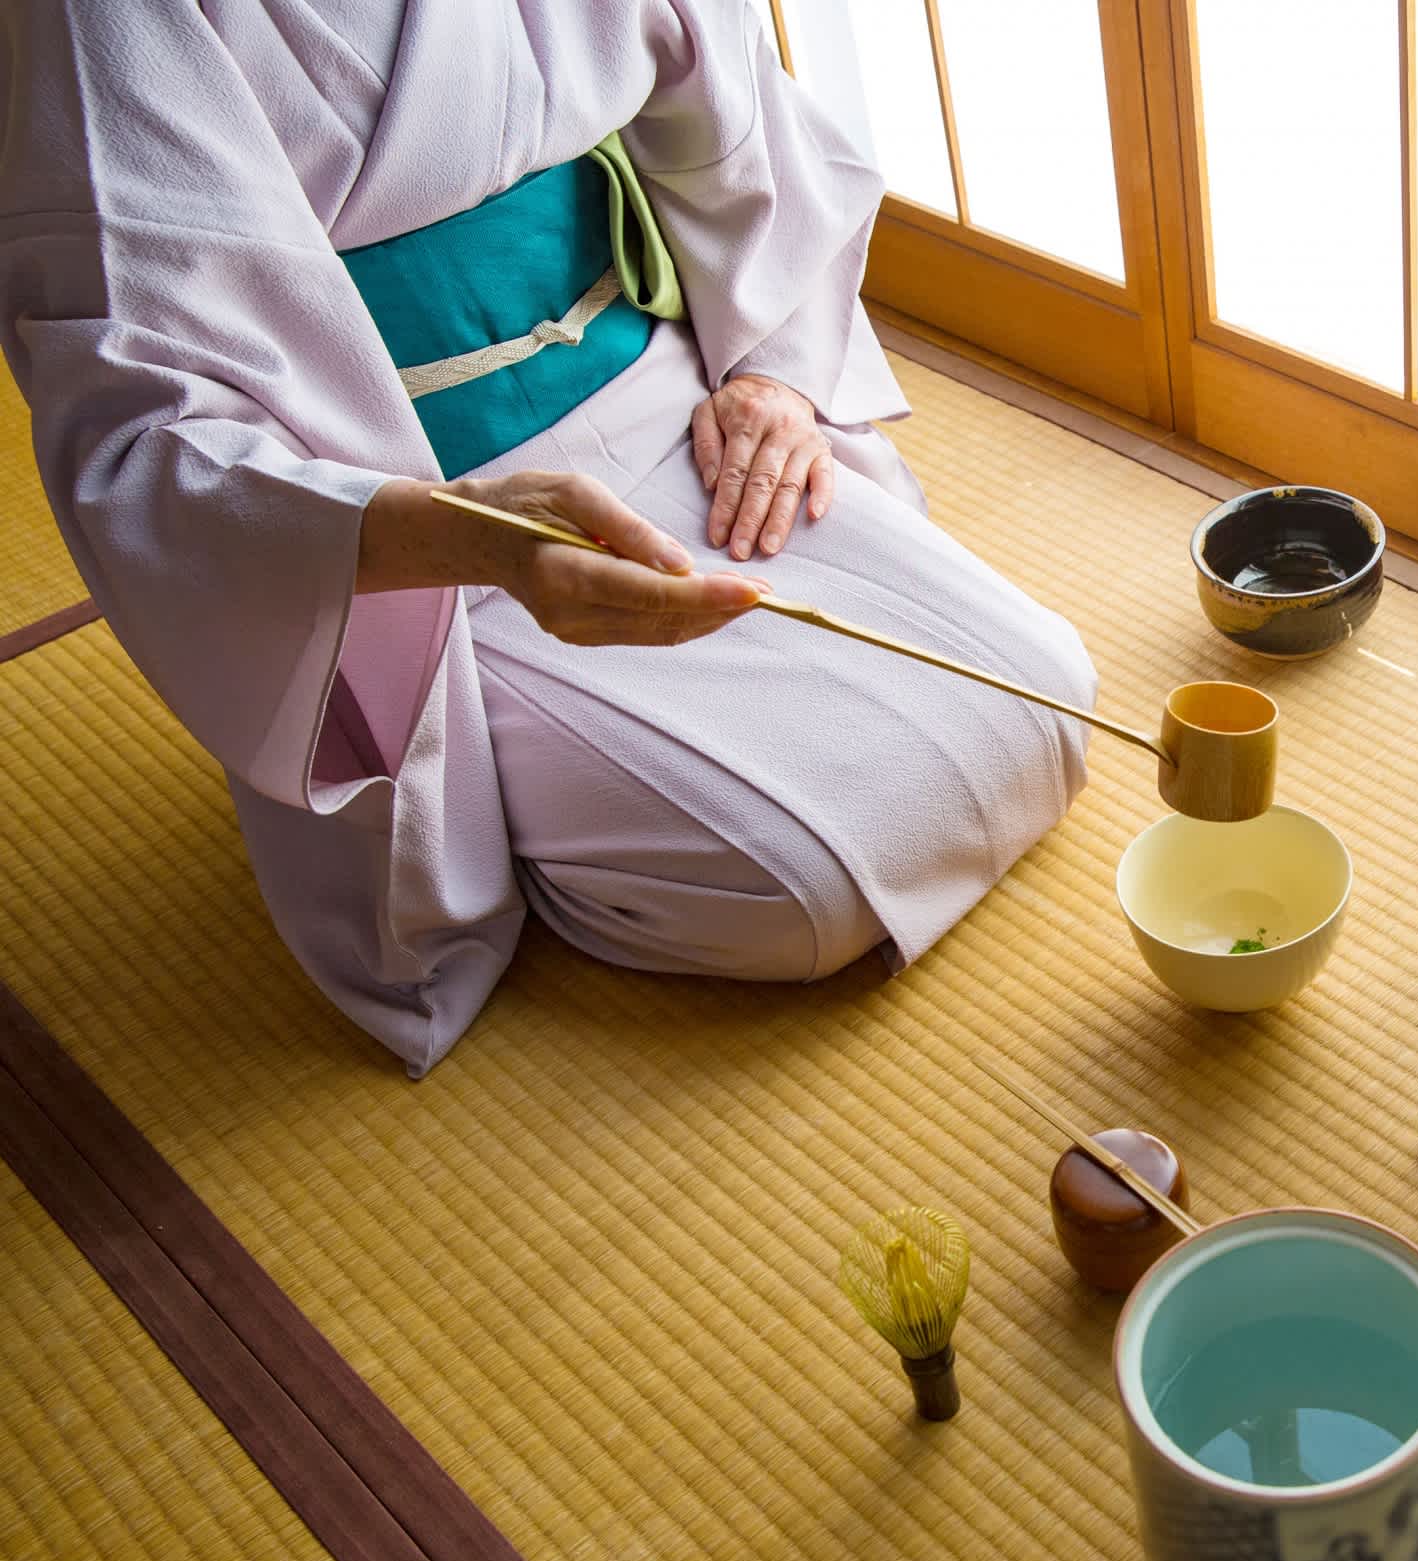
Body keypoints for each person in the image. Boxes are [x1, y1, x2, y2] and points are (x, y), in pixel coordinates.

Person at [0, 3, 1097, 1074]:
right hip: (405, 509)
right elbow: (147, 431)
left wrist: (775, 376)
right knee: (797, 887)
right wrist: (474, 541)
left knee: (1050, 695)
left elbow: (740, 123)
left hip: (672, 407)